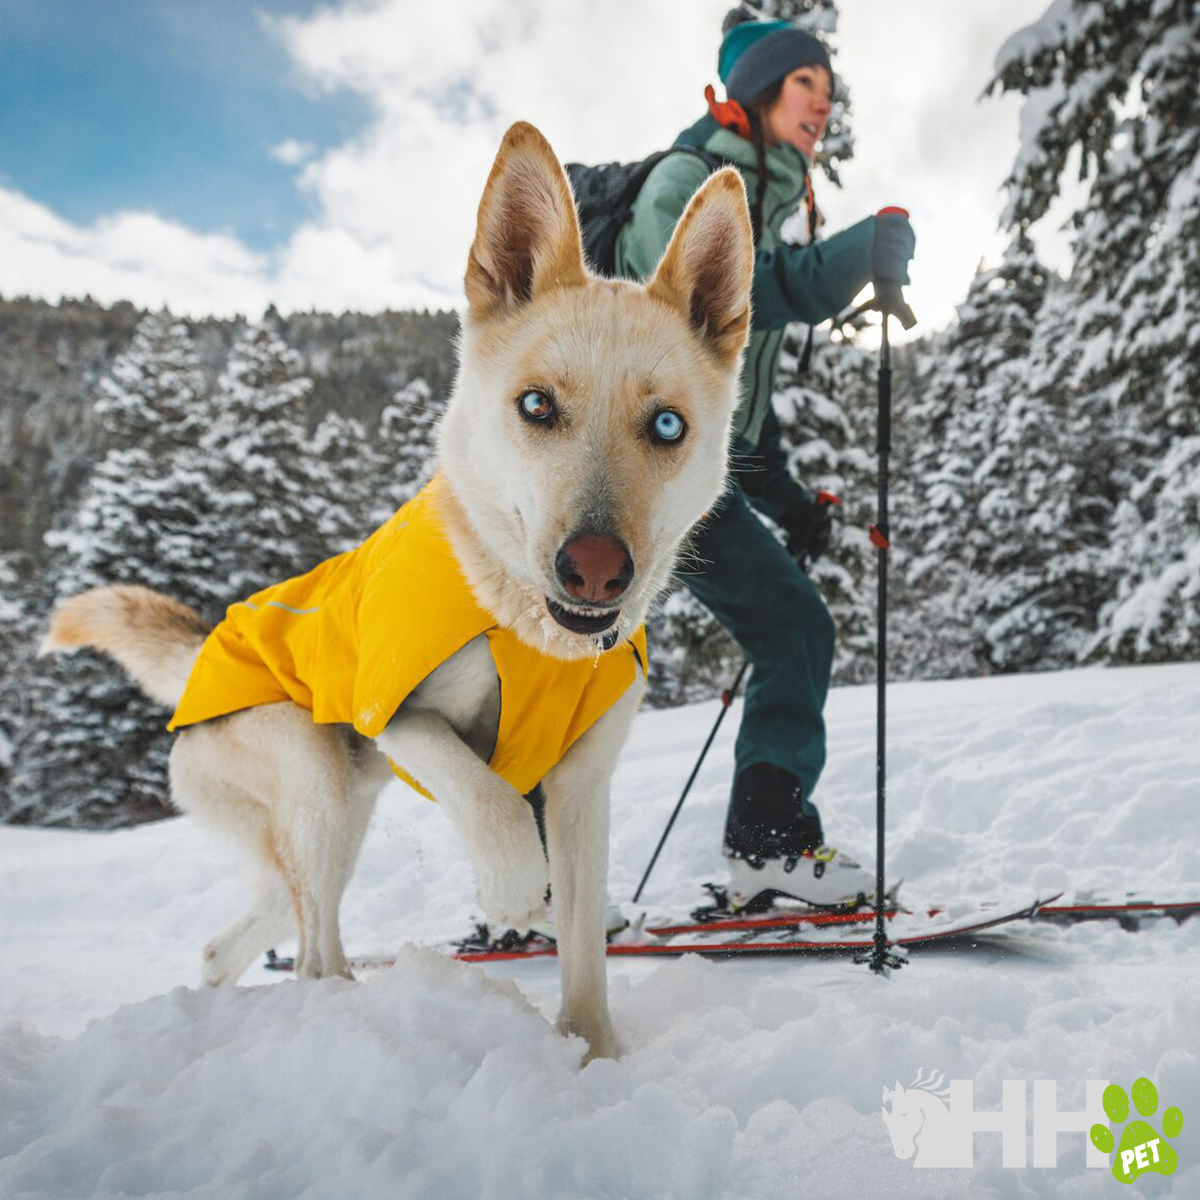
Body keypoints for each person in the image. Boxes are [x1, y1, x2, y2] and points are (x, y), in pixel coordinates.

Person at [613, 7, 916, 908]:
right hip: (626, 472)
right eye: (804, 83)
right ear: (755, 92)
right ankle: (532, 884)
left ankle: (766, 843)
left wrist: (791, 504)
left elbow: (730, 409)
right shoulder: (685, 184)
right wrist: (852, 257)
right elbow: (704, 310)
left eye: (828, 88)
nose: (823, 103)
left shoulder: (760, 207)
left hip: (690, 473)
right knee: (575, 662)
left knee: (793, 629)